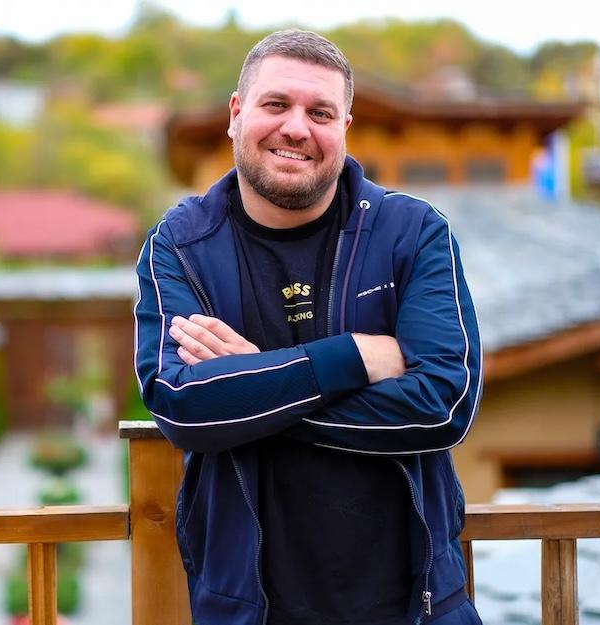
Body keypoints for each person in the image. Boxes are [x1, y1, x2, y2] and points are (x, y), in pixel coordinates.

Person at [133, 30, 483, 625]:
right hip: (248, 609)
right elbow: (181, 406)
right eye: (276, 105)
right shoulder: (181, 244)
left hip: (414, 605)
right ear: (237, 114)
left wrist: (254, 388)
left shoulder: (412, 233)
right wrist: (351, 357)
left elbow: (443, 404)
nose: (297, 128)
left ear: (345, 126)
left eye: (320, 112)